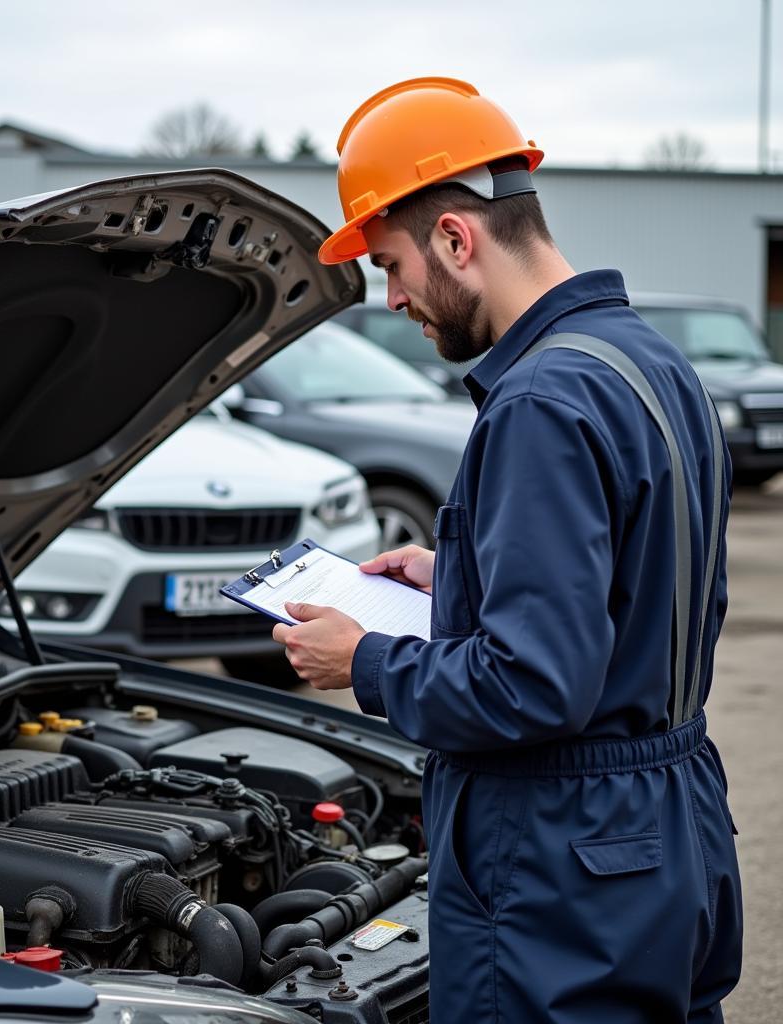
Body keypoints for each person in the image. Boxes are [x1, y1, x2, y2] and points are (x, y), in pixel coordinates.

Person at [271, 77, 742, 1022]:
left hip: (563, 863)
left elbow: (534, 686)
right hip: (670, 825)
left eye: (393, 264)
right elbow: (645, 571)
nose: (394, 296)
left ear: (457, 236)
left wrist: (363, 660)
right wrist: (465, 573)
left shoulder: (538, 403)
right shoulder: (646, 361)